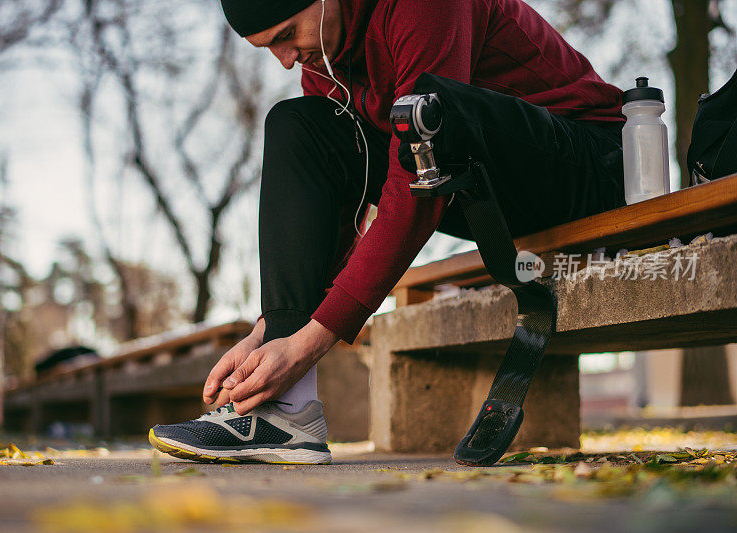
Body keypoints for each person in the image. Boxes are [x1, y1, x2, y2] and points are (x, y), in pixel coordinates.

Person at [149, 0, 625, 464]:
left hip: (585, 165)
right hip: (485, 185)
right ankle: (286, 416)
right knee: (299, 125)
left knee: (426, 115)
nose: (287, 59)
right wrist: (273, 330)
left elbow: (414, 180)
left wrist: (313, 342)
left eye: (287, 35)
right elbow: (343, 209)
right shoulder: (327, 63)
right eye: (268, 49)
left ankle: (286, 393)